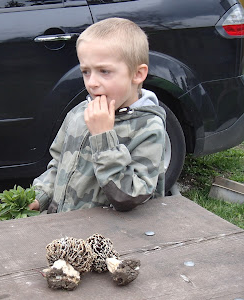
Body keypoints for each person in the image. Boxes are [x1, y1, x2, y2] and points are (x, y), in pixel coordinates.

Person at [28, 17, 166, 213]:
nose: (92, 82)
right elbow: (59, 165)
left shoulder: (148, 128)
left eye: (104, 71)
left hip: (114, 237)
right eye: (86, 71)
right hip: (67, 229)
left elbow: (129, 196)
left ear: (137, 74)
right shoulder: (79, 113)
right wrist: (40, 196)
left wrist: (103, 138)